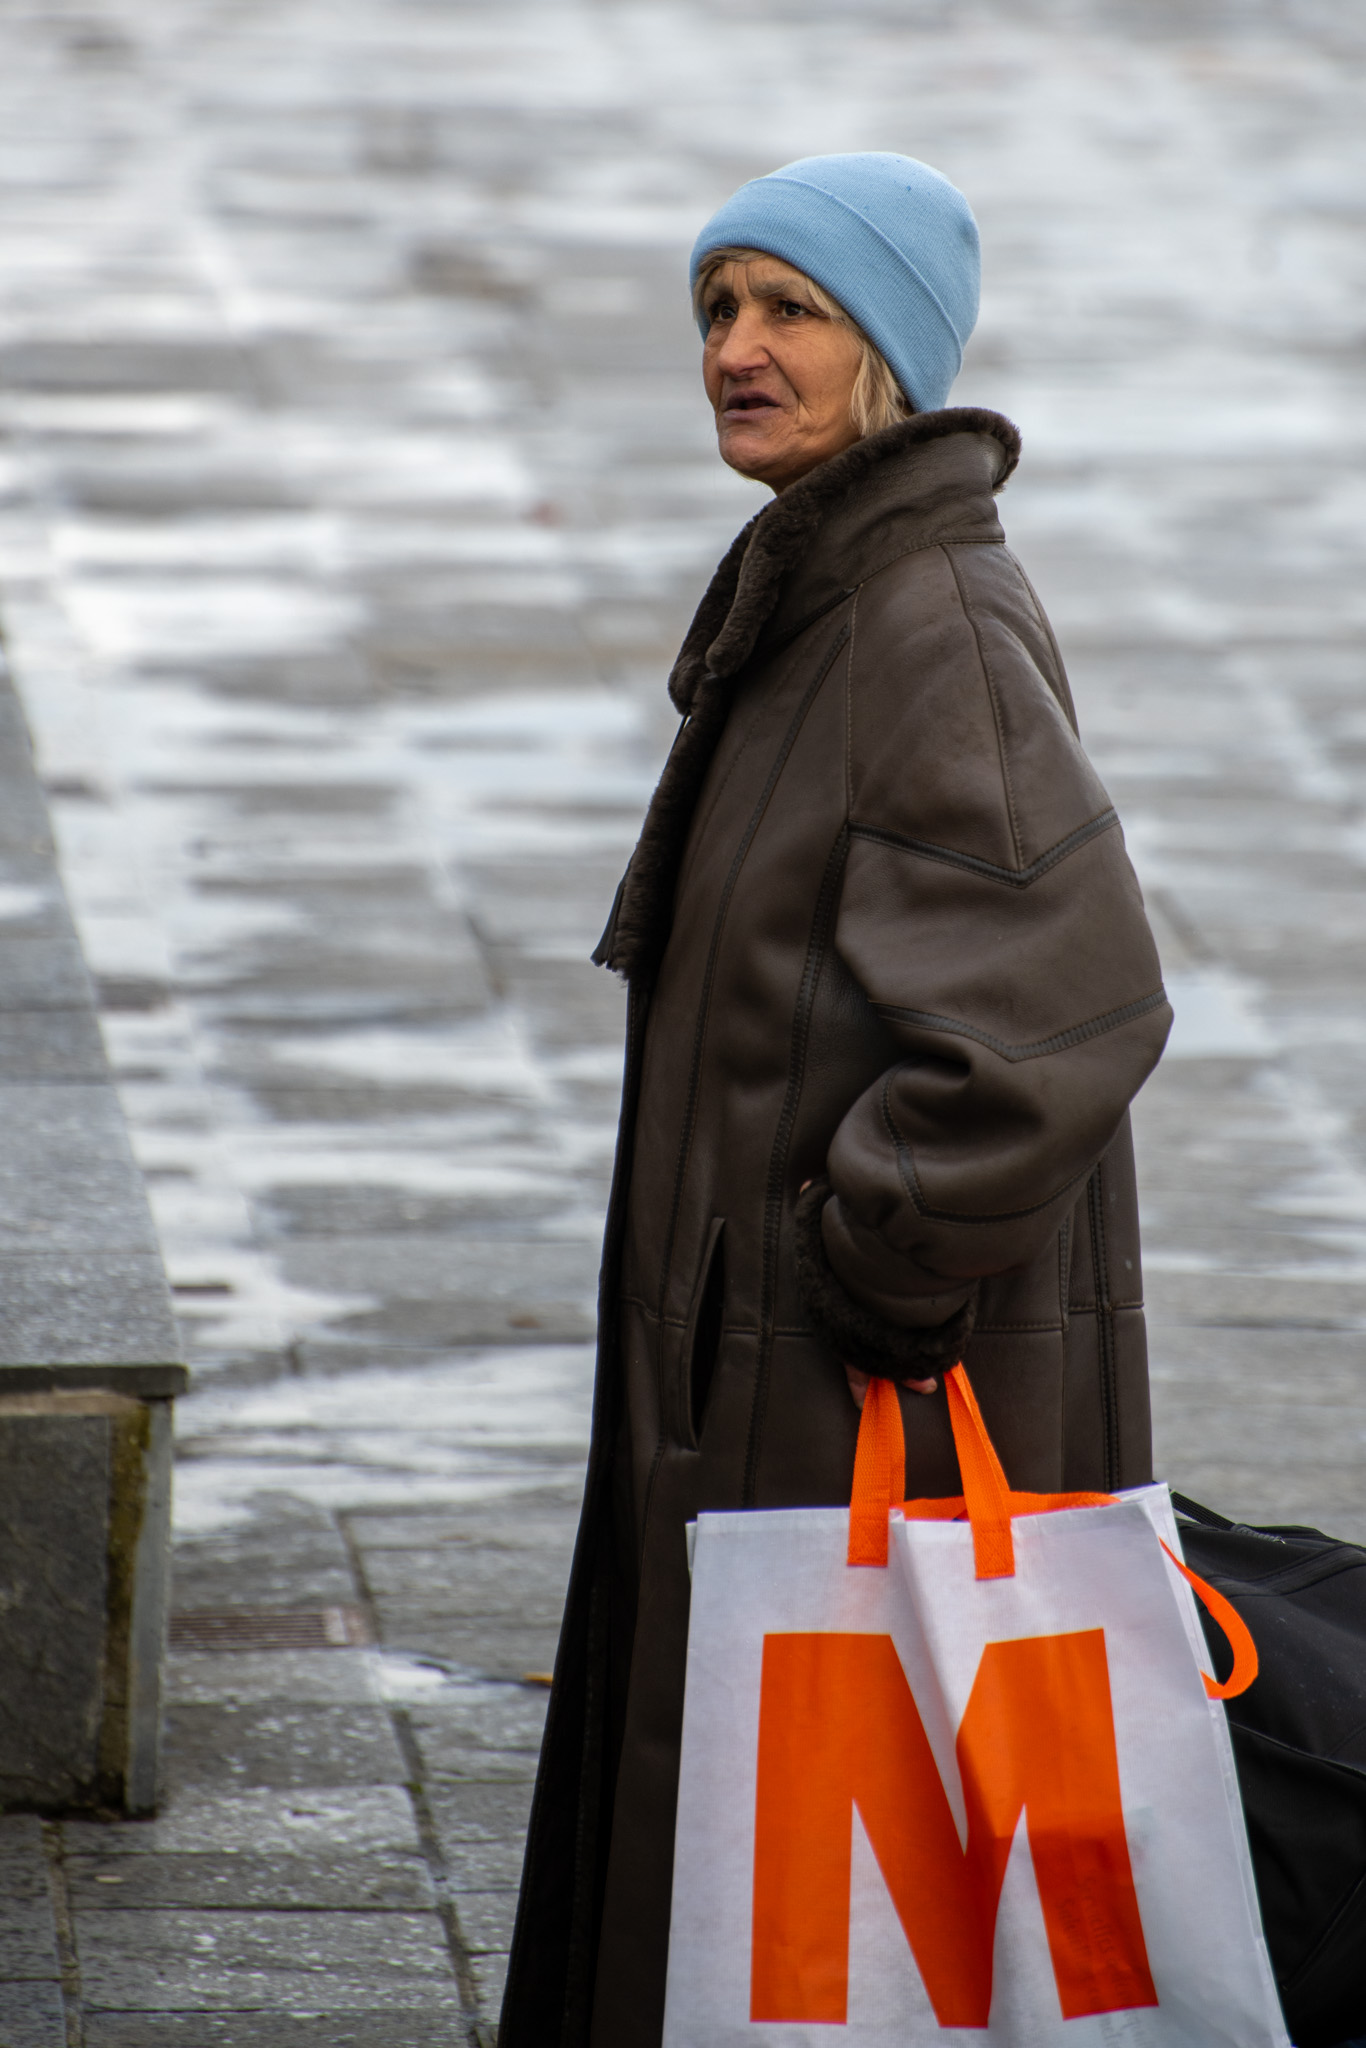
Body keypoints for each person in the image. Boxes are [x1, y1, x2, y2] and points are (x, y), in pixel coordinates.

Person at [500, 152, 1171, 2048]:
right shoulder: (827, 591)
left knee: (821, 1935)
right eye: (716, 309)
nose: (735, 349)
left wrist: (864, 1277)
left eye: (788, 310)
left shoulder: (925, 622)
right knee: (777, 1919)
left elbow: (1058, 1015)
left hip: (836, 1388)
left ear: (886, 350)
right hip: (755, 1369)